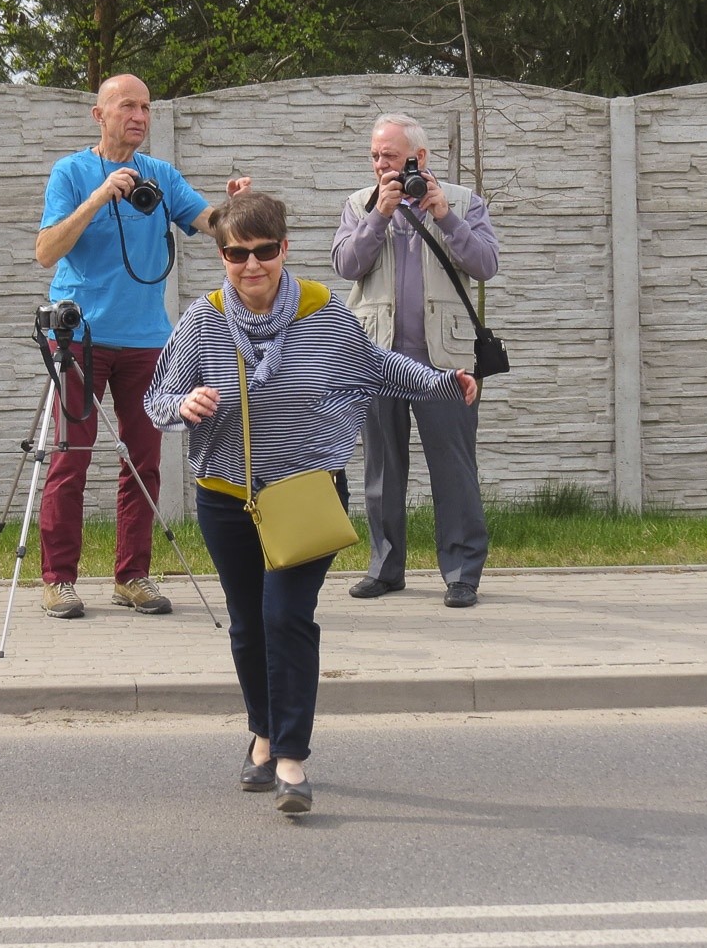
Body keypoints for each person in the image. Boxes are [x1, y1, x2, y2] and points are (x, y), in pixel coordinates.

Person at [145, 192, 477, 814]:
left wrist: (443, 382)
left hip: (306, 495)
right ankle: (263, 734)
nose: (251, 265)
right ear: (222, 256)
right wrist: (182, 406)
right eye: (237, 254)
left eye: (264, 251)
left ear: (284, 249)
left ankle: (291, 758)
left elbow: (379, 368)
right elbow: (157, 399)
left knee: (286, 618)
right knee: (247, 625)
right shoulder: (202, 321)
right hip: (227, 498)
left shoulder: (325, 315)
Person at [35, 73, 250, 620]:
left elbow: (210, 223)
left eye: (146, 108)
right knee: (70, 459)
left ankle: (132, 575)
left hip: (149, 342)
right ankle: (59, 580)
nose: (139, 116)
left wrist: (235, 210)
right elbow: (46, 250)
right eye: (127, 106)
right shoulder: (71, 172)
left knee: (143, 462)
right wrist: (99, 196)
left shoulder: (161, 176)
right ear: (99, 115)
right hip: (79, 338)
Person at [331, 113, 500, 609]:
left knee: (454, 469)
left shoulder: (463, 202)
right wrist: (378, 217)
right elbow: (346, 264)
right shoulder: (359, 205)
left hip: (445, 363)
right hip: (377, 358)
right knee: (381, 469)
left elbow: (486, 264)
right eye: (375, 155)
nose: (380, 164)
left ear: (418, 157)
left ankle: (462, 574)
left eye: (389, 155)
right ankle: (385, 568)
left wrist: (445, 216)